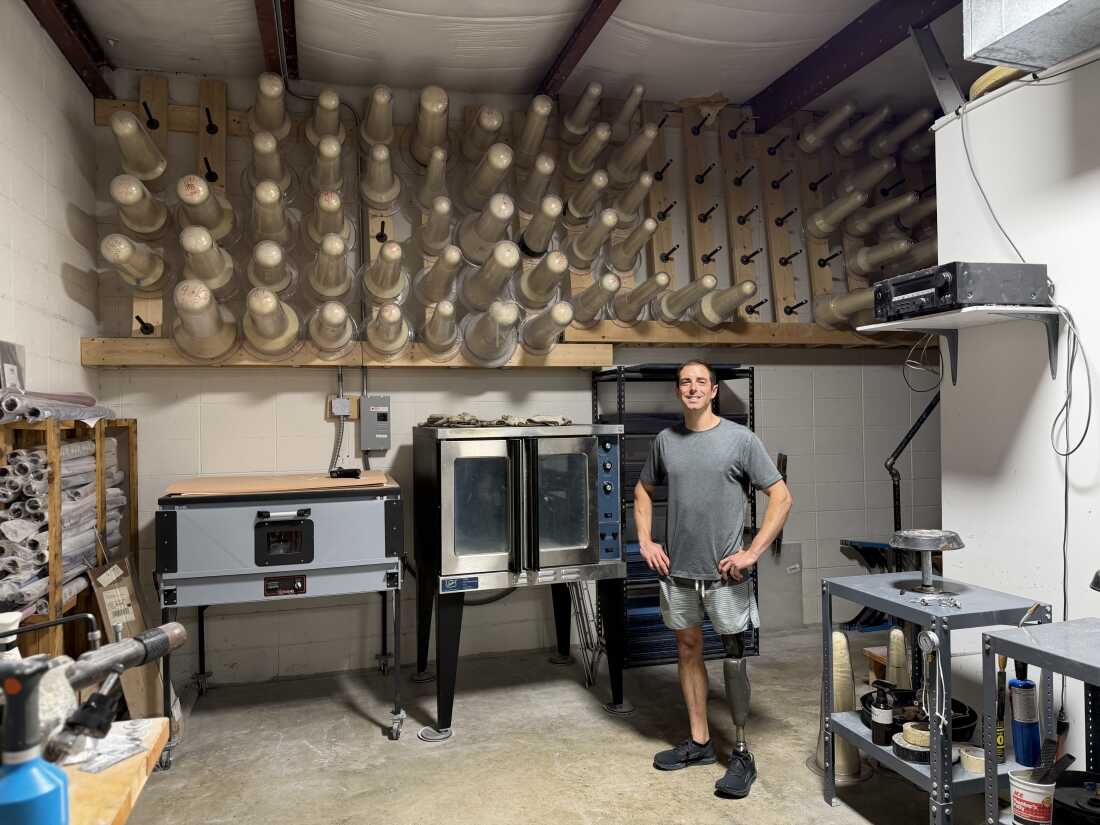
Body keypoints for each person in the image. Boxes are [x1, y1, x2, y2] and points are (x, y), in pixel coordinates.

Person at [635, 360, 792, 799]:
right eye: (685, 382)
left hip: (726, 573)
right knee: (687, 649)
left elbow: (781, 497)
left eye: (700, 382)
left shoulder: (740, 440)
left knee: (734, 656)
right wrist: (645, 541)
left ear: (714, 390)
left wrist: (752, 552)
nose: (693, 388)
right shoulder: (666, 441)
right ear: (678, 391)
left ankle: (741, 753)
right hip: (678, 572)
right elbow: (643, 489)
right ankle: (700, 742)